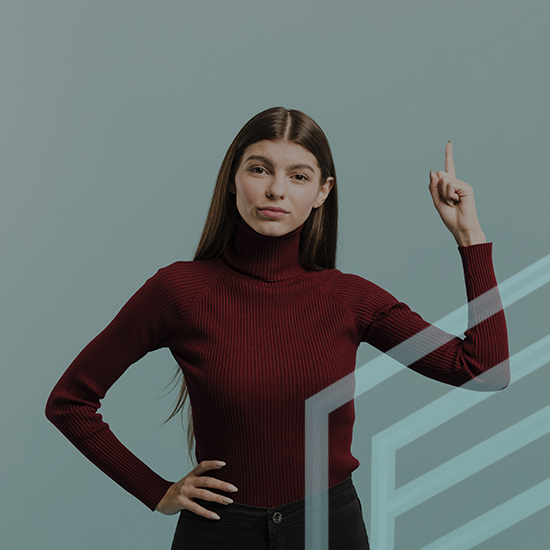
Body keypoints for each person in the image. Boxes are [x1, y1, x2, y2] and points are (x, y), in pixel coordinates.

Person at [45, 106, 510, 549]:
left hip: (331, 529)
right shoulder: (181, 291)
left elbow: (485, 370)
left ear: (322, 192)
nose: (276, 191)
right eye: (259, 169)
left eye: (299, 176)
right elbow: (70, 402)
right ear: (233, 180)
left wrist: (470, 237)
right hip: (218, 533)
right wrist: (156, 490)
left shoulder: (349, 298)